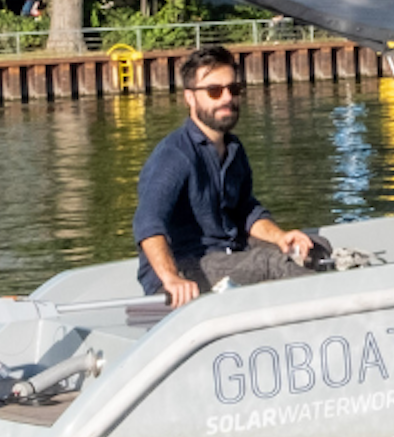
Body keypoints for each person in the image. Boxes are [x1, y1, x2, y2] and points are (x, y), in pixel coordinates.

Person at [133, 48, 323, 303]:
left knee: (314, 247)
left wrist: (281, 237)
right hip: (186, 266)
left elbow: (246, 211)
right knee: (268, 263)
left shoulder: (234, 149)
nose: (227, 98)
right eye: (214, 91)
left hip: (228, 251)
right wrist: (170, 278)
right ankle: (336, 308)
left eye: (233, 89)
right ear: (190, 97)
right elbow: (147, 222)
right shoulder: (174, 155)